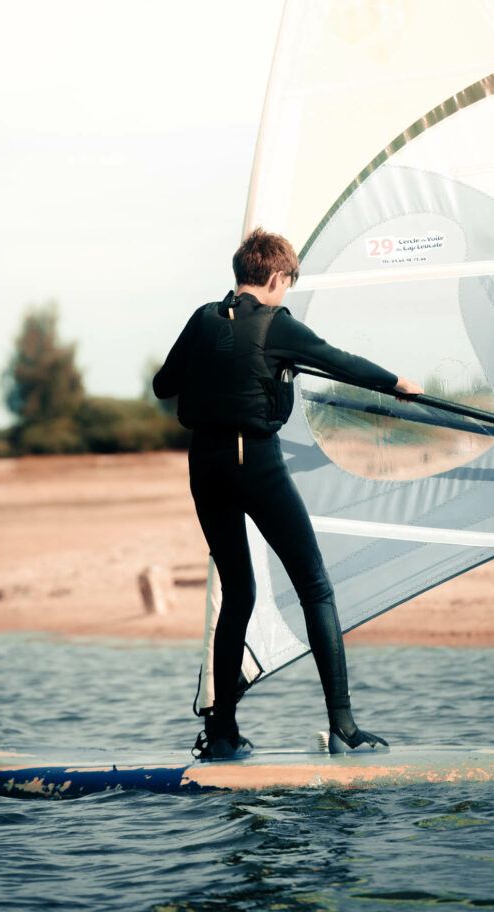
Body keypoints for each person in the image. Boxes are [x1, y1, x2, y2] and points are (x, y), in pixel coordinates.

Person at [153, 228, 422, 759]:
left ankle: (223, 733)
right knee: (315, 587)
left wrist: (219, 366)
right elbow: (338, 361)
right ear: (276, 277)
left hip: (205, 468)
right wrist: (397, 384)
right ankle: (343, 725)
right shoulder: (278, 324)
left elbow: (164, 385)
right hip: (256, 465)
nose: (286, 295)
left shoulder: (203, 318)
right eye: (287, 284)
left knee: (239, 593)